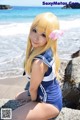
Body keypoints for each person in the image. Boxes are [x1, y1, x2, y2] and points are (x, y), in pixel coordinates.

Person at [12, 12, 63, 120]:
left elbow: (33, 88)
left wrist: (31, 103)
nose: (35, 38)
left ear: (50, 38)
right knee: (17, 96)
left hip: (49, 103)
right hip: (43, 93)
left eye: (43, 35)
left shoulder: (39, 63)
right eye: (34, 30)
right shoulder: (45, 49)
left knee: (10, 116)